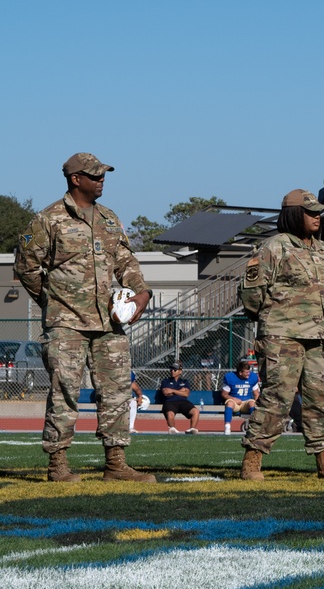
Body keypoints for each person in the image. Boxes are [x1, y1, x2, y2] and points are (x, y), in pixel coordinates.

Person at [13, 152, 155, 483]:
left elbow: (125, 261)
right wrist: (51, 302)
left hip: (109, 323)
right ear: (75, 179)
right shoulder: (48, 220)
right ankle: (58, 465)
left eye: (103, 174)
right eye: (95, 175)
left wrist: (142, 292)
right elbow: (26, 267)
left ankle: (116, 464)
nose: (101, 180)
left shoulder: (108, 218)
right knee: (65, 391)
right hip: (67, 323)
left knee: (117, 390)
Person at [239, 189, 324, 480]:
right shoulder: (273, 247)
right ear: (292, 214)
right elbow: (252, 294)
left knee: (322, 399)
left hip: (321, 335)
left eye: (318, 213)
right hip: (282, 335)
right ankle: (252, 460)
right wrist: (270, 320)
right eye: (310, 212)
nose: (317, 217)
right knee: (277, 397)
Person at [221, 359, 259, 435]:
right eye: (246, 372)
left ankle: (253, 427)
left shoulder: (253, 377)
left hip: (246, 403)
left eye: (249, 371)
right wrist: (234, 399)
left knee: (252, 403)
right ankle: (227, 427)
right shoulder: (231, 377)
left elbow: (256, 394)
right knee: (230, 403)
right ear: (240, 373)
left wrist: (257, 404)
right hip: (235, 403)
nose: (249, 373)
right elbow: (224, 394)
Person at [160, 362, 201, 434]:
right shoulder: (165, 381)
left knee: (196, 411)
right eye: (171, 369)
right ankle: (172, 429)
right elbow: (165, 392)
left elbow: (186, 394)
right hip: (170, 402)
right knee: (170, 414)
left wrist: (172, 391)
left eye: (175, 370)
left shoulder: (185, 381)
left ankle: (192, 429)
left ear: (180, 371)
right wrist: (180, 391)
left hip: (183, 402)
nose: (172, 371)